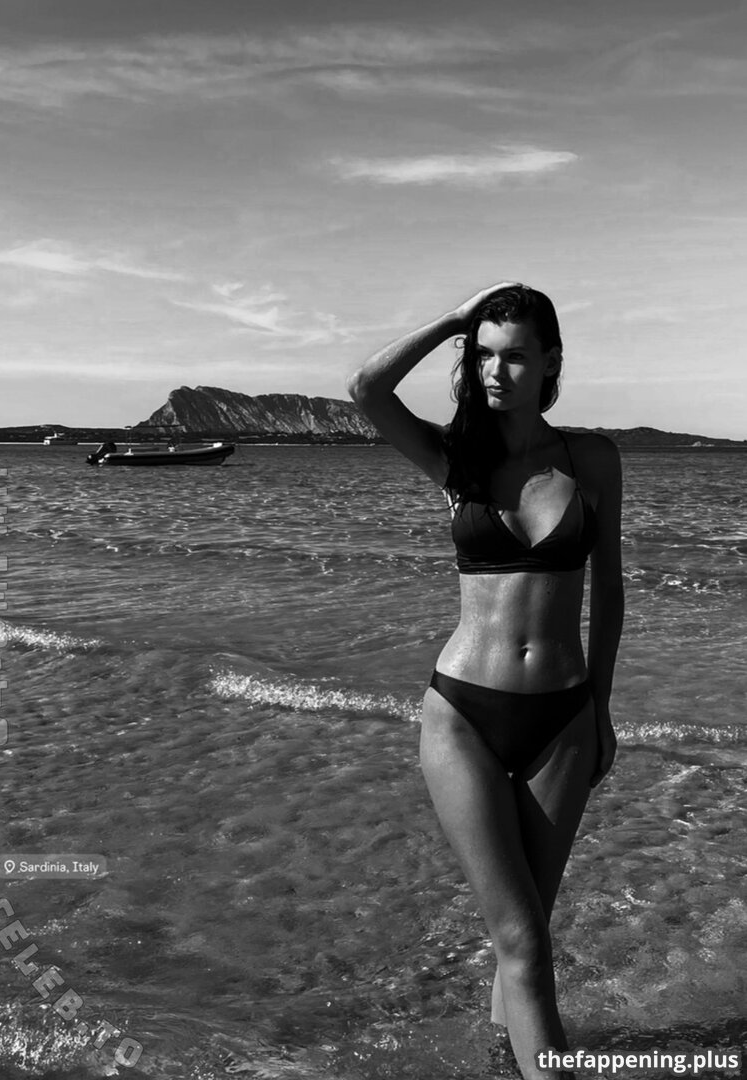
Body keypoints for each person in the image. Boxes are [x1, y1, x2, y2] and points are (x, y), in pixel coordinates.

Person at [346, 283, 623, 1080]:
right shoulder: (455, 458)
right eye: (484, 356)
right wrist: (452, 319)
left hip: (563, 721)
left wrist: (601, 709)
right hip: (463, 714)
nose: (497, 371)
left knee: (528, 928)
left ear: (551, 363)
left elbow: (610, 590)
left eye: (516, 356)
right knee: (523, 940)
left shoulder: (592, 459)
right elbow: (366, 389)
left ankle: (508, 1062)